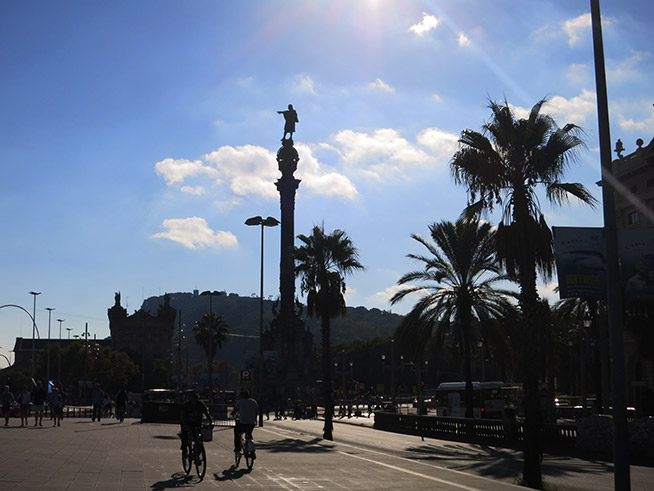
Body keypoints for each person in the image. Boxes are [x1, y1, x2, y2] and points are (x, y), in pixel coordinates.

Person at [180, 392, 212, 459]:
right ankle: (185, 450)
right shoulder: (186, 405)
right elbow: (183, 417)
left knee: (199, 439)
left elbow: (206, 413)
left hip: (197, 423)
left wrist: (210, 422)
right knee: (184, 436)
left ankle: (197, 453)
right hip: (187, 423)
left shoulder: (200, 404)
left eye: (196, 398)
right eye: (193, 398)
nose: (194, 400)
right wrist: (185, 425)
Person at [233, 390, 259, 458]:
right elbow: (256, 411)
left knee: (237, 433)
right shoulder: (254, 402)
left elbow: (235, 410)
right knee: (249, 434)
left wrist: (233, 414)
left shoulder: (240, 402)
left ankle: (237, 449)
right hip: (251, 423)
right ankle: (252, 451)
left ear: (242, 396)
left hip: (242, 423)